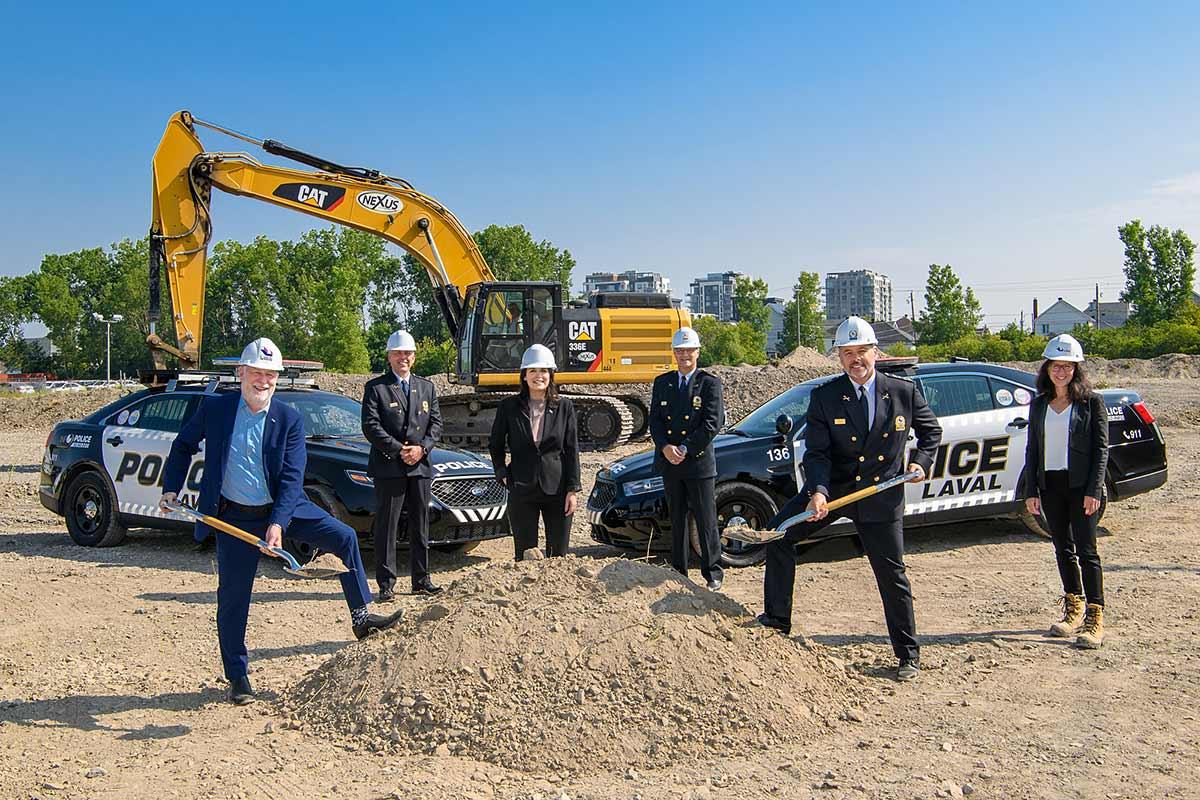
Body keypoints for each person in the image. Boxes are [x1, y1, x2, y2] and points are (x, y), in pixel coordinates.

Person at [160, 337, 402, 705]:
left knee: (343, 537)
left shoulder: (288, 418)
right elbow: (182, 446)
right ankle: (238, 676)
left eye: (271, 375)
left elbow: (292, 477)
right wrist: (170, 488)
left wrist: (278, 524)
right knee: (233, 598)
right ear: (241, 373)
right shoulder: (217, 410)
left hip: (283, 508)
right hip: (234, 516)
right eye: (257, 373)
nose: (263, 382)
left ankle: (362, 614)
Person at [759, 317, 940, 682]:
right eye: (847, 353)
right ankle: (777, 621)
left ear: (875, 351)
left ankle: (908, 654)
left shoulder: (903, 391)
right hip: (836, 491)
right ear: (838, 356)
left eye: (861, 352)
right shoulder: (825, 397)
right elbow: (817, 453)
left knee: (892, 574)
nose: (855, 360)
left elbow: (931, 431)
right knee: (779, 533)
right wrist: (819, 492)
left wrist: (920, 462)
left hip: (881, 495)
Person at [1023, 334, 1108, 649]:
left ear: (1076, 369)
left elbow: (1101, 449)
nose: (1061, 372)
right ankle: (1074, 608)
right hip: (1051, 485)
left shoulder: (1092, 402)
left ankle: (1095, 616)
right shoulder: (1040, 403)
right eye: (1055, 366)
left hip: (1081, 486)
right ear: (1047, 368)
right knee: (1063, 549)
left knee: (1087, 550)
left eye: (1067, 366)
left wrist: (1094, 489)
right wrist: (1031, 489)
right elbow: (1033, 449)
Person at [361, 330, 444, 601]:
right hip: (389, 466)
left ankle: (421, 579)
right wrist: (400, 450)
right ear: (389, 356)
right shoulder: (376, 388)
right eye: (398, 353)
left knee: (421, 524)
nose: (403, 358)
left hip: (419, 466)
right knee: (388, 526)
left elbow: (436, 424)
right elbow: (371, 426)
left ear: (414, 357)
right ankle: (386, 584)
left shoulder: (426, 387)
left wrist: (422, 449)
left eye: (407, 353)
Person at [649, 326, 726, 590]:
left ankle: (713, 572)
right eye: (680, 351)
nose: (684, 355)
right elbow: (655, 422)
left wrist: (685, 448)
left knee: (706, 520)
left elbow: (712, 423)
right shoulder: (663, 383)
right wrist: (665, 447)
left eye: (689, 350)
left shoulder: (709, 384)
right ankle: (678, 570)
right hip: (671, 463)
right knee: (678, 520)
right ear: (674, 353)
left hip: (697, 462)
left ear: (698, 352)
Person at [488, 344, 580, 559]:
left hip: (557, 489)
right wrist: (501, 471)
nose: (538, 376)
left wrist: (572, 489)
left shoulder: (564, 406)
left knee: (558, 555)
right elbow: (496, 443)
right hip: (522, 488)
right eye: (533, 371)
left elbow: (571, 448)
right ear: (524, 376)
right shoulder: (509, 407)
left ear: (551, 375)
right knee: (525, 554)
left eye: (543, 371)